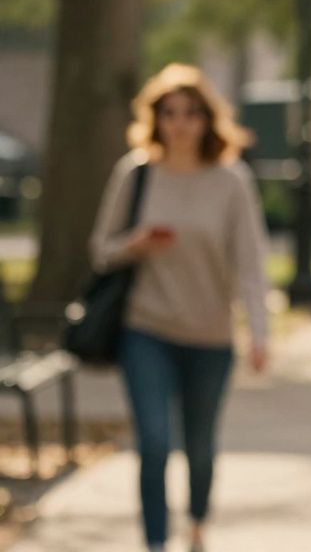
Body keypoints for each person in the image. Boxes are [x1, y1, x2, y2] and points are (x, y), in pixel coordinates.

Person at [90, 63, 270, 552]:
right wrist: (136, 244)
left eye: (191, 113)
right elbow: (100, 249)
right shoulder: (136, 174)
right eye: (170, 113)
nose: (181, 123)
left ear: (208, 119)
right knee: (152, 442)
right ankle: (154, 541)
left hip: (210, 336)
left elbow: (252, 263)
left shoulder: (231, 181)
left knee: (200, 446)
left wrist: (259, 332)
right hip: (145, 329)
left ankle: (195, 522)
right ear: (156, 118)